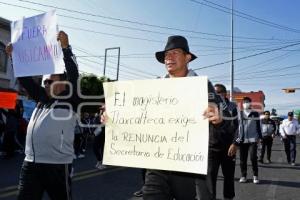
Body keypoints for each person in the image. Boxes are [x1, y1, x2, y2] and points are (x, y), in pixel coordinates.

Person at [139, 35, 234, 200]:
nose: (169, 58)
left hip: (189, 167)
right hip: (158, 164)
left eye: (174, 53)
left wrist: (219, 120)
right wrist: (114, 118)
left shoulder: (203, 86)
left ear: (187, 57)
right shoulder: (155, 87)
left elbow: (227, 123)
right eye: (166, 55)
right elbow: (139, 118)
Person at [6, 31, 79, 200]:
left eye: (50, 81)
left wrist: (66, 49)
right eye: (45, 81)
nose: (46, 84)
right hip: (30, 163)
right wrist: (12, 57)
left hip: (58, 166)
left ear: (62, 84)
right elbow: (25, 80)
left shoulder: (71, 100)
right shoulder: (41, 97)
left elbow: (74, 76)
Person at [198, 83, 239, 200]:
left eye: (219, 92)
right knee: (210, 178)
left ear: (225, 94)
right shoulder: (208, 106)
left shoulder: (232, 107)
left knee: (229, 176)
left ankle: (228, 197)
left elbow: (237, 127)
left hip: (228, 148)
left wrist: (235, 143)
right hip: (211, 148)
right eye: (214, 93)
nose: (216, 95)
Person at [238, 97, 262, 184]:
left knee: (253, 158)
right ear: (242, 103)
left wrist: (260, 137)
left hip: (253, 139)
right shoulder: (239, 113)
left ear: (250, 103)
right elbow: (237, 127)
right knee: (242, 159)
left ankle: (255, 176)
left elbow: (258, 125)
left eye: (247, 102)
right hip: (242, 139)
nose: (246, 103)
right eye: (244, 102)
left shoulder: (255, 113)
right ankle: (243, 176)